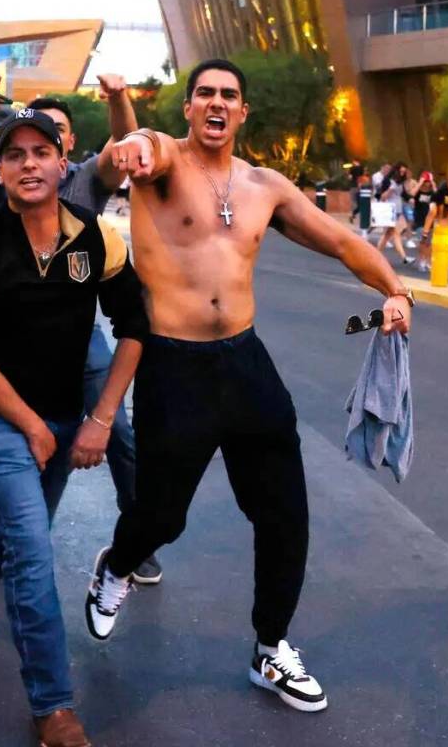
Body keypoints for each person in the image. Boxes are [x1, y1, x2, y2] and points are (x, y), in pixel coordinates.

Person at [83, 58, 414, 714]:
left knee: (285, 515)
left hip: (246, 365)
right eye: (203, 92)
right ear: (187, 108)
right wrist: (125, 117)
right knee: (161, 518)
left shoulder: (266, 186)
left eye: (227, 95)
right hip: (173, 370)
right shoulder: (162, 162)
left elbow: (343, 243)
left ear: (242, 112)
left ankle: (271, 648)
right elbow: (134, 148)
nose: (215, 101)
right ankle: (116, 565)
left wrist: (394, 291)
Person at [0, 109, 148, 747]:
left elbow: (134, 328)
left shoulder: (98, 238)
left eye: (41, 152)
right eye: (14, 154)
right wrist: (32, 426)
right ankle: (54, 709)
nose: (28, 163)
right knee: (31, 548)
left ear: (64, 164)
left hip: (63, 414)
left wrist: (100, 420)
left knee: (20, 529)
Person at [0, 75, 164, 584]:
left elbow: (126, 147)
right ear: (4, 164)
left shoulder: (86, 181)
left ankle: (138, 538)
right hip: (12, 335)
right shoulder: (5, 181)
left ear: (64, 150)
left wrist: (118, 99)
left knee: (120, 434)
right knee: (7, 441)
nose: (31, 160)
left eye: (48, 142)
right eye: (19, 150)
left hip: (78, 332)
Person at [375, 162, 414, 264]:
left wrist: (410, 199)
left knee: (388, 234)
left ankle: (376, 255)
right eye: (400, 171)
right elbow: (382, 196)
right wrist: (390, 189)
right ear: (395, 170)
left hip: (397, 209)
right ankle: (404, 257)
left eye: (403, 172)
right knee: (396, 233)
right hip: (389, 209)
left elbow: (404, 194)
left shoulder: (400, 182)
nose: (402, 173)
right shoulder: (388, 181)